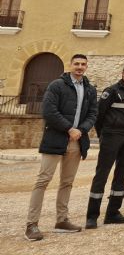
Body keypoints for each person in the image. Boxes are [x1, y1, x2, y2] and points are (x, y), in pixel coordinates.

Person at [24, 54, 98, 242]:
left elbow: (92, 113)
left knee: (67, 182)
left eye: (83, 64)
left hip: (77, 140)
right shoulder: (57, 85)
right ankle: (31, 224)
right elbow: (49, 111)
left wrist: (81, 130)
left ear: (86, 67)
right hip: (56, 138)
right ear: (70, 65)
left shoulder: (90, 89)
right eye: (76, 64)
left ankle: (62, 220)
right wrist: (69, 128)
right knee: (43, 180)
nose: (80, 67)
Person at [85, 61, 124, 229]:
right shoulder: (111, 91)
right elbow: (99, 115)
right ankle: (92, 216)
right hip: (111, 137)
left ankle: (113, 213)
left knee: (122, 176)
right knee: (101, 175)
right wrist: (104, 135)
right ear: (123, 73)